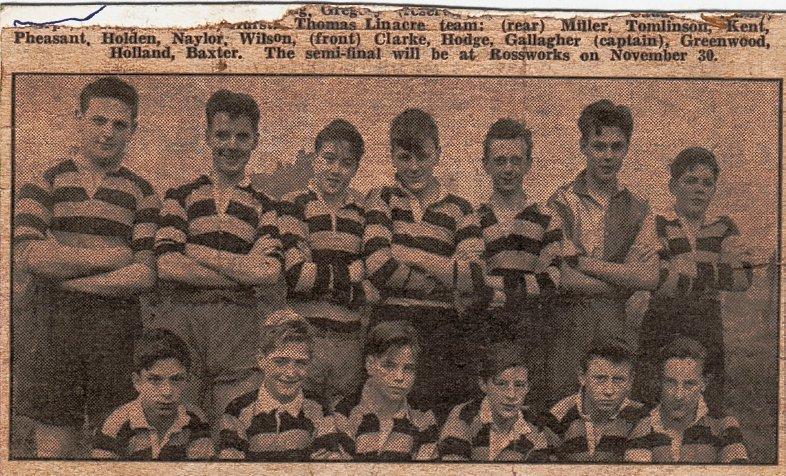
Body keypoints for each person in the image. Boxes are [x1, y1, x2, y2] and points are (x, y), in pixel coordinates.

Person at [13, 76, 160, 457]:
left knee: (111, 443)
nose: (108, 132)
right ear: (78, 117)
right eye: (99, 120)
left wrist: (65, 268)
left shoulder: (142, 192)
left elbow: (144, 273)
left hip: (114, 328)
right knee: (54, 443)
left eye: (120, 124)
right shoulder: (44, 182)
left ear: (133, 130)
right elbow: (30, 256)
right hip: (52, 326)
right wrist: (113, 256)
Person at [153, 89, 283, 424]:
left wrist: (198, 252)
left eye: (242, 137)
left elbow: (268, 272)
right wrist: (241, 271)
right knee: (181, 427)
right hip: (185, 322)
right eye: (222, 135)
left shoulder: (265, 204)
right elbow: (167, 265)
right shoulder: (180, 195)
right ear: (208, 136)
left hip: (239, 330)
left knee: (234, 427)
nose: (231, 145)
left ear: (255, 140)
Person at [363, 108, 485, 423]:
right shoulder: (381, 199)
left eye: (423, 157)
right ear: (391, 155)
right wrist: (442, 278)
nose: (414, 167)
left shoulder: (461, 208)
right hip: (391, 322)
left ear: (438, 154)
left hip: (443, 329)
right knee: (390, 418)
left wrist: (408, 253)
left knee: (441, 418)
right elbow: (378, 265)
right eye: (404, 158)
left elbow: (473, 276)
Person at [546, 99, 659, 401]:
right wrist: (624, 280)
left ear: (626, 148)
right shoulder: (559, 202)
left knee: (617, 421)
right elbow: (564, 278)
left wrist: (582, 262)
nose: (608, 156)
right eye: (599, 146)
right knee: (565, 417)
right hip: (570, 329)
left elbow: (648, 279)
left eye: (616, 146)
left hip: (617, 329)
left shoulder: (639, 207)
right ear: (583, 145)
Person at [633, 147, 752, 415]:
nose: (699, 189)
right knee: (651, 398)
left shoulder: (724, 226)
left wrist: (678, 265)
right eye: (690, 181)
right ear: (673, 186)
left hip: (706, 321)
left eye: (707, 183)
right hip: (661, 320)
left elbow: (743, 277)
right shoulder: (658, 223)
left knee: (706, 402)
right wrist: (716, 267)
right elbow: (647, 273)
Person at [278, 119, 377, 409]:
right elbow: (297, 276)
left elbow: (372, 285)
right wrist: (351, 275)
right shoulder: (293, 203)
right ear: (314, 158)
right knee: (300, 419)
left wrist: (319, 273)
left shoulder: (364, 213)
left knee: (343, 427)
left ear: (356, 168)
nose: (335, 170)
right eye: (328, 159)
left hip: (349, 342)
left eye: (346, 163)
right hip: (304, 338)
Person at [474, 118, 566, 408]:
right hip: (484, 330)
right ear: (486, 164)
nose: (508, 169)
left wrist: (497, 287)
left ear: (528, 163)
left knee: (528, 410)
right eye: (499, 161)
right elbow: (471, 279)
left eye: (516, 160)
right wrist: (521, 285)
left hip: (531, 331)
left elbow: (551, 281)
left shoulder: (547, 218)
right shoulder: (473, 218)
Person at [217, 319, 341, 461]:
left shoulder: (319, 407)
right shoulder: (237, 409)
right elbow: (231, 464)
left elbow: (326, 462)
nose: (290, 372)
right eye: (280, 361)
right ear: (261, 359)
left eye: (301, 363)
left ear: (310, 364)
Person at [91, 328, 213, 460]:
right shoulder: (115, 425)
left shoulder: (195, 420)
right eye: (155, 379)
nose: (167, 391)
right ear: (137, 382)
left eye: (176, 379)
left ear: (187, 381)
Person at [625, 336, 748, 463]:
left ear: (704, 383)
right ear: (660, 382)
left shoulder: (724, 425)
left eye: (689, 384)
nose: (679, 395)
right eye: (670, 383)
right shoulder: (643, 426)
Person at [331, 321, 439, 461]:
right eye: (389, 366)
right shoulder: (343, 413)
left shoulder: (423, 418)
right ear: (370, 365)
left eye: (408, 368)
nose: (399, 377)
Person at [438, 340, 552, 462]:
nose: (511, 395)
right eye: (501, 384)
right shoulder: (463, 418)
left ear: (528, 387)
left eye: (519, 385)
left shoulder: (534, 426)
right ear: (483, 384)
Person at [541, 336, 645, 462]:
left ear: (630, 381)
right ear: (582, 377)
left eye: (618, 380)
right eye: (600, 379)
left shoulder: (640, 417)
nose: (609, 391)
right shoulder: (558, 416)